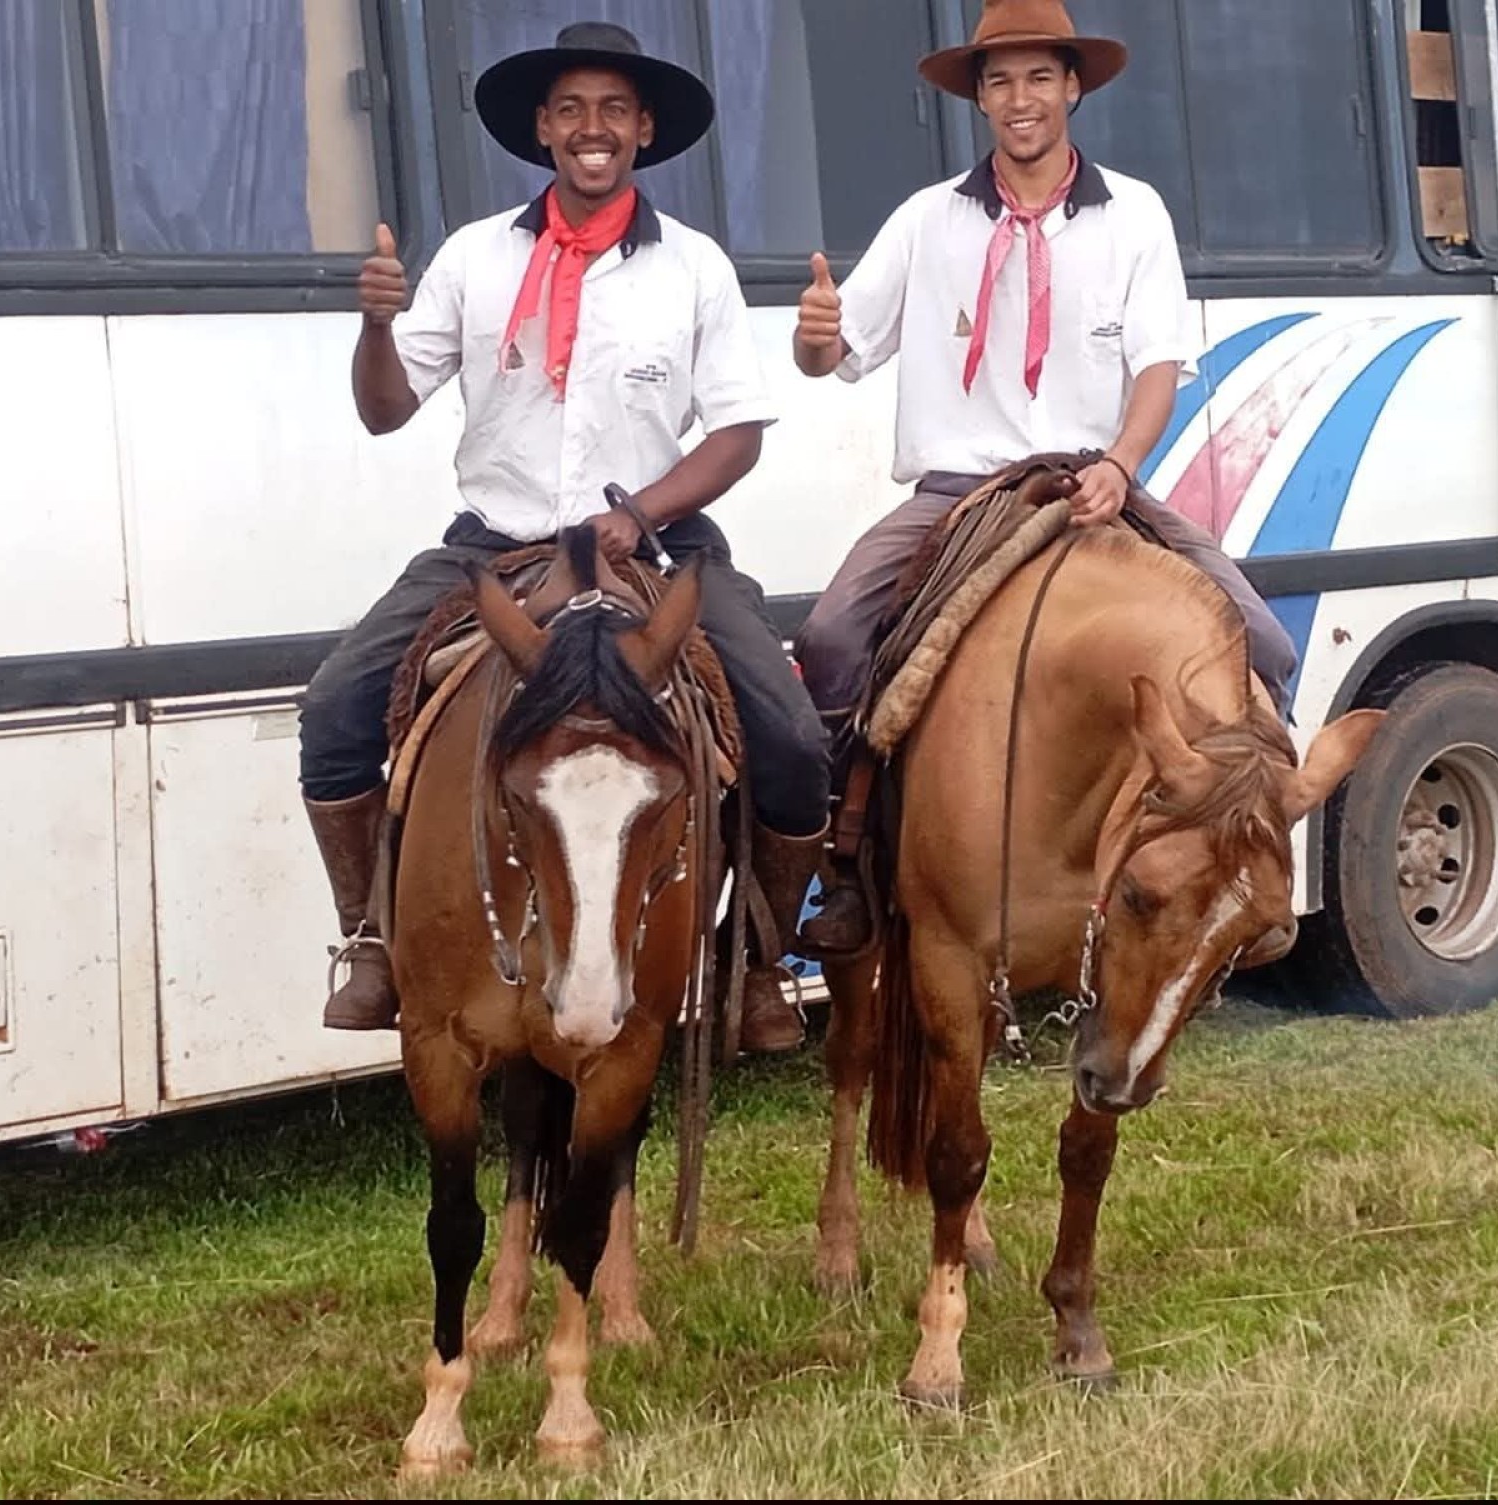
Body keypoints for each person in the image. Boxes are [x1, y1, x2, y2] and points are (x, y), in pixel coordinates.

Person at [299, 21, 828, 1053]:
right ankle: (367, 939)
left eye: (614, 109)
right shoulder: (473, 256)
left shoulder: (695, 267)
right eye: (573, 109)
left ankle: (760, 960)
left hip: (652, 546)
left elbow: (736, 435)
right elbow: (384, 408)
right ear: (542, 128)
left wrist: (640, 513)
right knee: (334, 708)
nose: (595, 127)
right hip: (491, 548)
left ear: (644, 130)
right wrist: (375, 326)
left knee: (793, 736)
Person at [789, 0, 1299, 957]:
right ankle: (848, 862)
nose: (1019, 99)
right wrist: (811, 337)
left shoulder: (1135, 213)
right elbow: (836, 352)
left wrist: (1121, 466)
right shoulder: (927, 220)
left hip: (1092, 479)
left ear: (1071, 87)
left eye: (1037, 78)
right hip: (960, 490)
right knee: (830, 636)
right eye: (999, 81)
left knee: (1263, 642)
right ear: (978, 99)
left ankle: (1255, 861)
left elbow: (1158, 368)